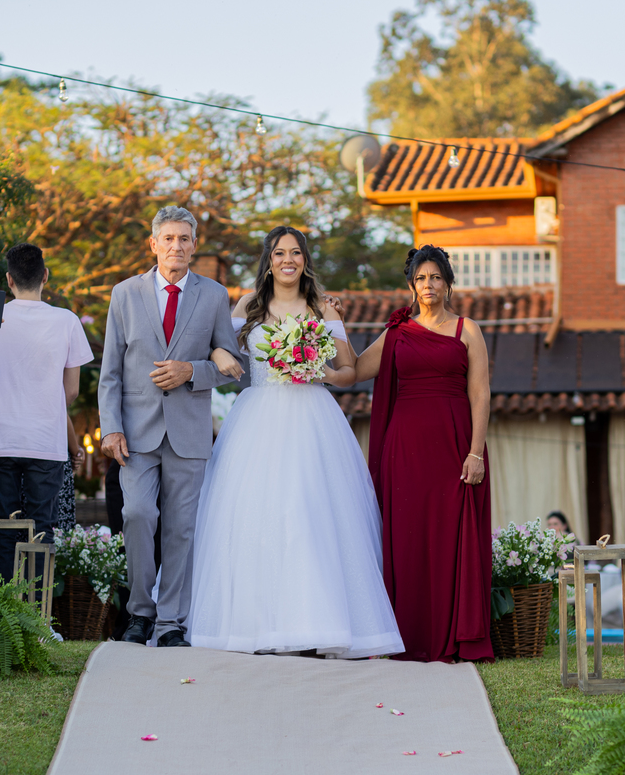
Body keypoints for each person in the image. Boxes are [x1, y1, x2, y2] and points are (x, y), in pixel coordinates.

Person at [187, 227, 404, 658]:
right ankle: (258, 625)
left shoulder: (323, 307)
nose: (288, 260)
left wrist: (318, 370)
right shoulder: (247, 305)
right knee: (256, 518)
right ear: (268, 261)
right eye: (279, 253)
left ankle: (316, 624)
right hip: (258, 421)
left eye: (296, 253)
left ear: (305, 260)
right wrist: (219, 355)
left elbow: (349, 371)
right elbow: (217, 347)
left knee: (309, 515)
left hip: (313, 420)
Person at [98, 206, 244, 648]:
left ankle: (170, 623)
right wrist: (110, 428)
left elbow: (231, 366)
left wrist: (191, 371)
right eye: (168, 238)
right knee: (137, 515)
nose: (176, 246)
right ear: (154, 244)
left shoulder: (214, 295)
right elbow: (110, 371)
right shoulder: (124, 294)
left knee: (182, 529)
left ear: (194, 246)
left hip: (189, 432)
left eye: (184, 239)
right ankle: (140, 613)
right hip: (136, 433)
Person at [350, 245, 493, 662]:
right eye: (420, 278)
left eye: (435, 277)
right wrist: (332, 325)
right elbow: (355, 370)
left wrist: (476, 453)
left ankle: (456, 634)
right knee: (408, 539)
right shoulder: (397, 332)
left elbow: (481, 394)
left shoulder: (467, 329)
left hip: (454, 447)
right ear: (412, 285)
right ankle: (406, 635)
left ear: (448, 283)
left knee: (452, 537)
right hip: (405, 452)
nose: (428, 285)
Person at [0, 243, 93, 580]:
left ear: (9, 280)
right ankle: (38, 607)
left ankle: (2, 604)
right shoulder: (66, 321)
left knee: (3, 524)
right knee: (42, 528)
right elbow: (71, 391)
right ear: (45, 276)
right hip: (45, 439)